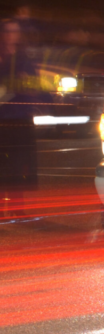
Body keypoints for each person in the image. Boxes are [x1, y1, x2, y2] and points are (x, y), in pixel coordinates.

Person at [0, 19, 40, 219]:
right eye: (7, 31)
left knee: (19, 165)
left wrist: (28, 84)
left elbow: (34, 88)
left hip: (21, 119)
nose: (11, 35)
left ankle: (16, 207)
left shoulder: (24, 58)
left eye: (15, 31)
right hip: (2, 120)